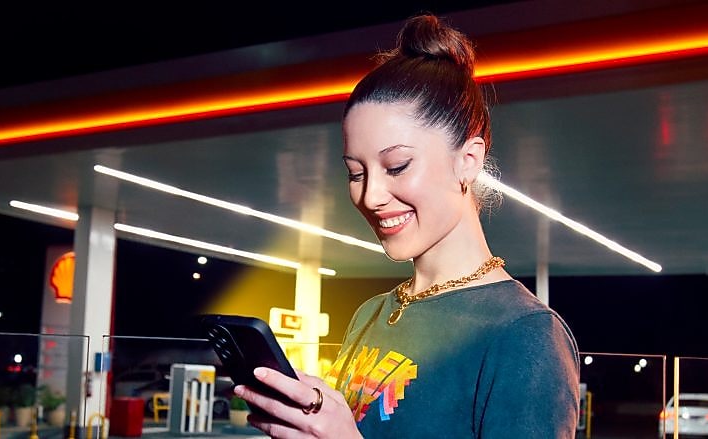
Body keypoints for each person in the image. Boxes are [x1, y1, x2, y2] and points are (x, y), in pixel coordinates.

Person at [232, 13, 580, 438]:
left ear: (467, 161)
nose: (370, 195)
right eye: (356, 173)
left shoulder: (526, 336)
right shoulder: (370, 314)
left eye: (396, 166)